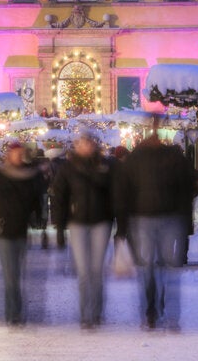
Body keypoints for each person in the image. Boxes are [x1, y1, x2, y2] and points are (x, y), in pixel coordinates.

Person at [116, 125, 197, 331]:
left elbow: (124, 192)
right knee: (165, 268)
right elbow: (188, 190)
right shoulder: (173, 158)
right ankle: (164, 313)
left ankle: (154, 312)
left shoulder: (136, 159)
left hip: (149, 219)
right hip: (161, 220)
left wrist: (123, 226)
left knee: (152, 267)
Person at [50, 132, 116, 329]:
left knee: (96, 270)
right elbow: (59, 197)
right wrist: (59, 227)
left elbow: (115, 192)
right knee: (83, 271)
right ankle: (85, 314)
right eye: (82, 143)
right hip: (77, 222)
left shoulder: (105, 166)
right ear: (76, 146)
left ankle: (96, 312)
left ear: (94, 145)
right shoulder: (68, 167)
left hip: (101, 222)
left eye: (89, 143)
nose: (85, 147)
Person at [0, 142, 43, 327]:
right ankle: (13, 314)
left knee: (16, 273)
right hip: (4, 230)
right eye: (15, 153)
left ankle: (15, 312)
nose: (18, 156)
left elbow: (36, 197)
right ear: (9, 155)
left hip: (21, 230)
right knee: (10, 275)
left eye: (21, 153)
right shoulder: (1, 175)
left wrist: (37, 217)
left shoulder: (29, 175)